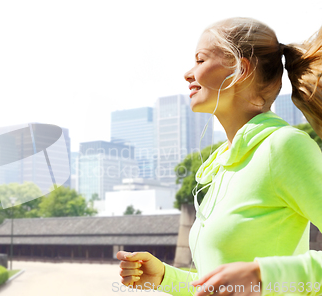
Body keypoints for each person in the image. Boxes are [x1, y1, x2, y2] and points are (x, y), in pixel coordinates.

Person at [117, 17, 322, 296]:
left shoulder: (283, 147)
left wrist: (264, 275)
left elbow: (252, 281)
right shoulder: (224, 162)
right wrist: (165, 277)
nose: (188, 73)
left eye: (200, 60)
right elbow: (222, 285)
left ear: (241, 70)